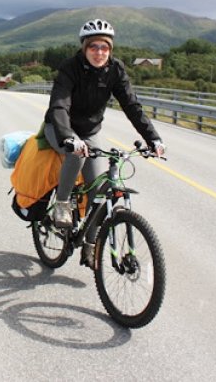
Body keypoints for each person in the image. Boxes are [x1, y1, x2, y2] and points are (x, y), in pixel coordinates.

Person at [44, 19, 165, 263]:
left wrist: (153, 138)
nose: (100, 52)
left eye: (105, 47)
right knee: (77, 154)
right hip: (59, 127)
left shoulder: (115, 70)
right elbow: (59, 104)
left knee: (98, 190)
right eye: (94, 47)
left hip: (91, 130)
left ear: (110, 50)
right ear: (85, 47)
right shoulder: (70, 68)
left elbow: (132, 105)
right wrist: (68, 137)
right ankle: (63, 203)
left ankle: (90, 244)